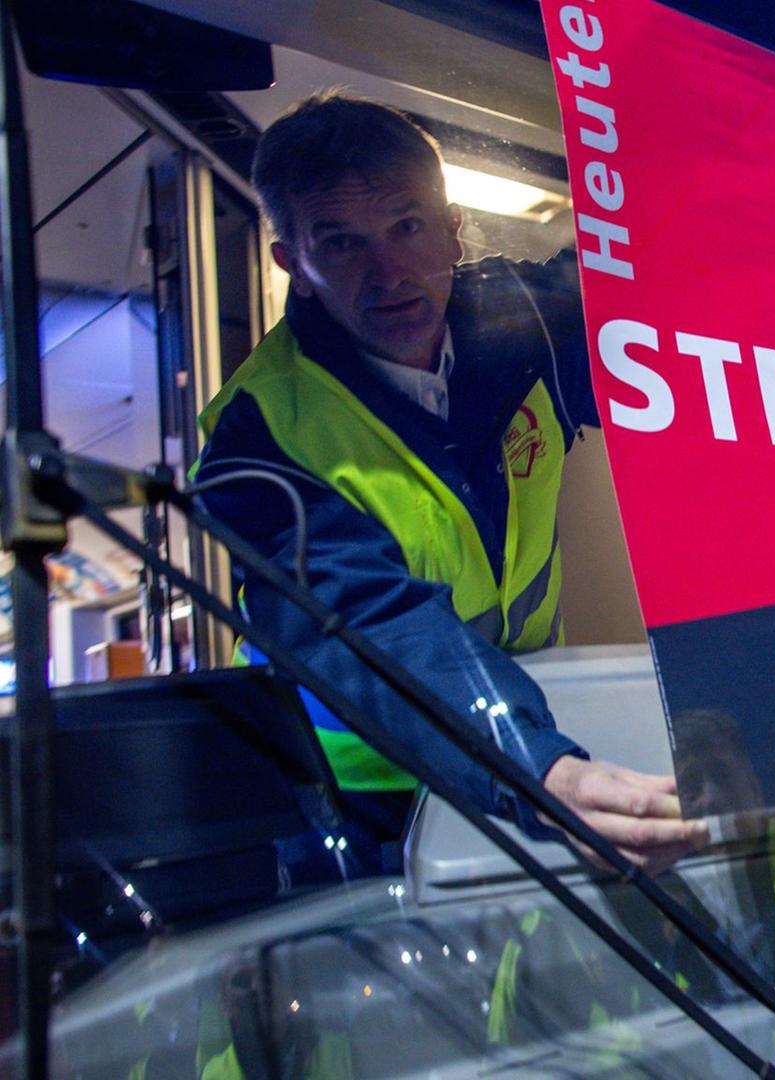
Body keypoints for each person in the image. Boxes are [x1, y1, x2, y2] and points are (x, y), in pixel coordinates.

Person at [192, 93, 697, 874]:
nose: (389, 271)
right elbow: (370, 622)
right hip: (349, 811)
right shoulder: (255, 439)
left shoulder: (528, 319)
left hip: (527, 754)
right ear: (293, 265)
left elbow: (689, 331)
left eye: (407, 226)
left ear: (453, 229)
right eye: (341, 242)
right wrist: (534, 766)